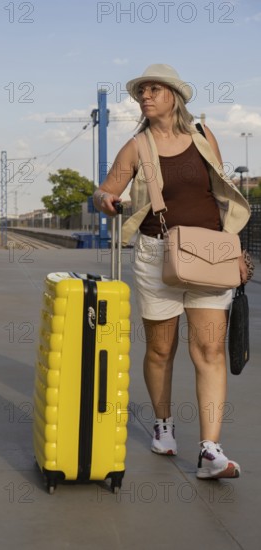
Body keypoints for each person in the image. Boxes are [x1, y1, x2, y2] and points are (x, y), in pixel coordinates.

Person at [93, 64, 250, 480]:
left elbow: (222, 195)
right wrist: (102, 199)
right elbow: (108, 191)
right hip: (156, 255)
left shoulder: (202, 137)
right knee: (162, 349)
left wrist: (235, 248)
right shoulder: (136, 147)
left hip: (211, 253)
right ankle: (163, 424)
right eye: (142, 90)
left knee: (210, 351)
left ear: (173, 97)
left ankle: (211, 449)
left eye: (154, 89)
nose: (145, 95)